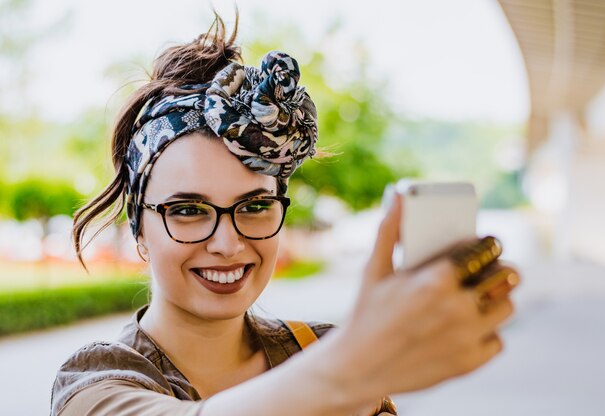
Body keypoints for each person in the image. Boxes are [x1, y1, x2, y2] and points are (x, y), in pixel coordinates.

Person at [50, 12, 518, 416]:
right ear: (140, 230)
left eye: (254, 206)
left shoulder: (318, 350)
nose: (228, 243)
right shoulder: (96, 384)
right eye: (188, 210)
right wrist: (351, 367)